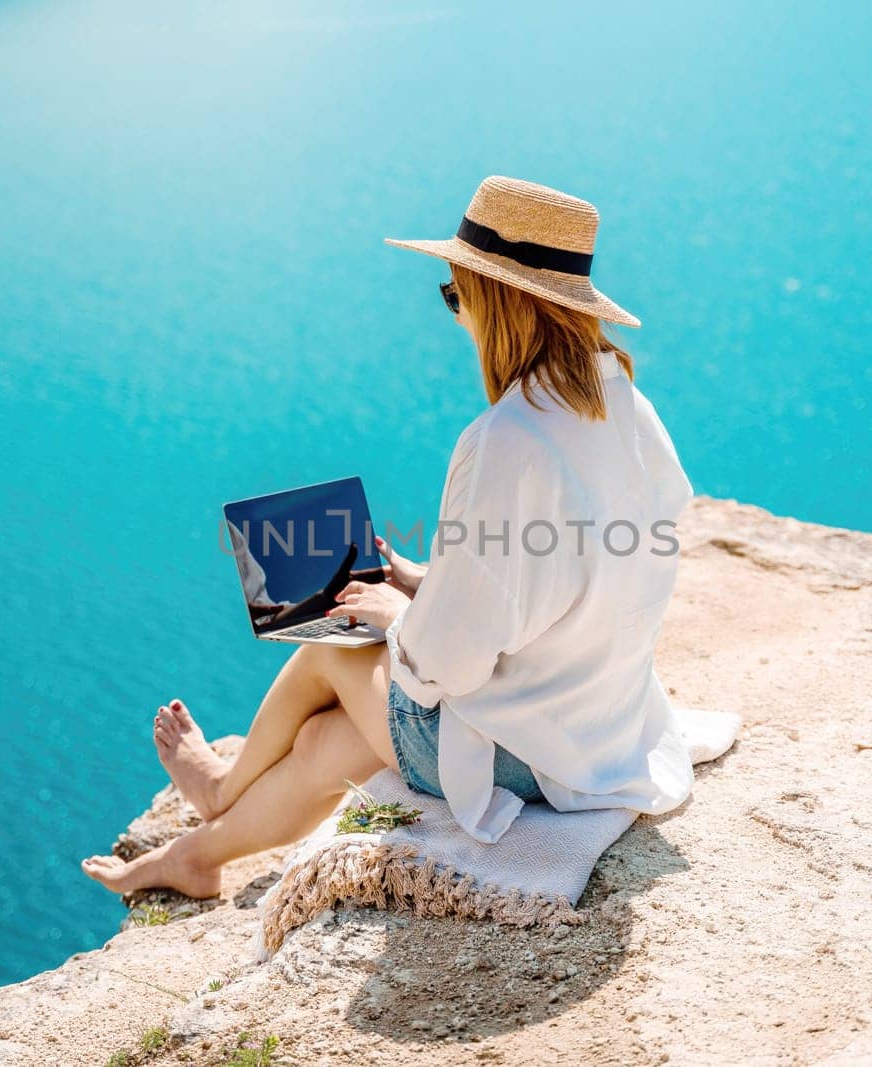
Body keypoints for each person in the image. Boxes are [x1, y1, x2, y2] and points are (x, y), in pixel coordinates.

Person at [82, 175, 695, 898]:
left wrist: (397, 617)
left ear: (496, 303)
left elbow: (442, 663)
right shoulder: (629, 409)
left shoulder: (505, 439)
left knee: (330, 642)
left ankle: (220, 787)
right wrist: (428, 579)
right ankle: (194, 856)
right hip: (596, 726)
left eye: (455, 294)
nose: (457, 314)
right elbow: (567, 579)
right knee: (324, 744)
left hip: (528, 756)